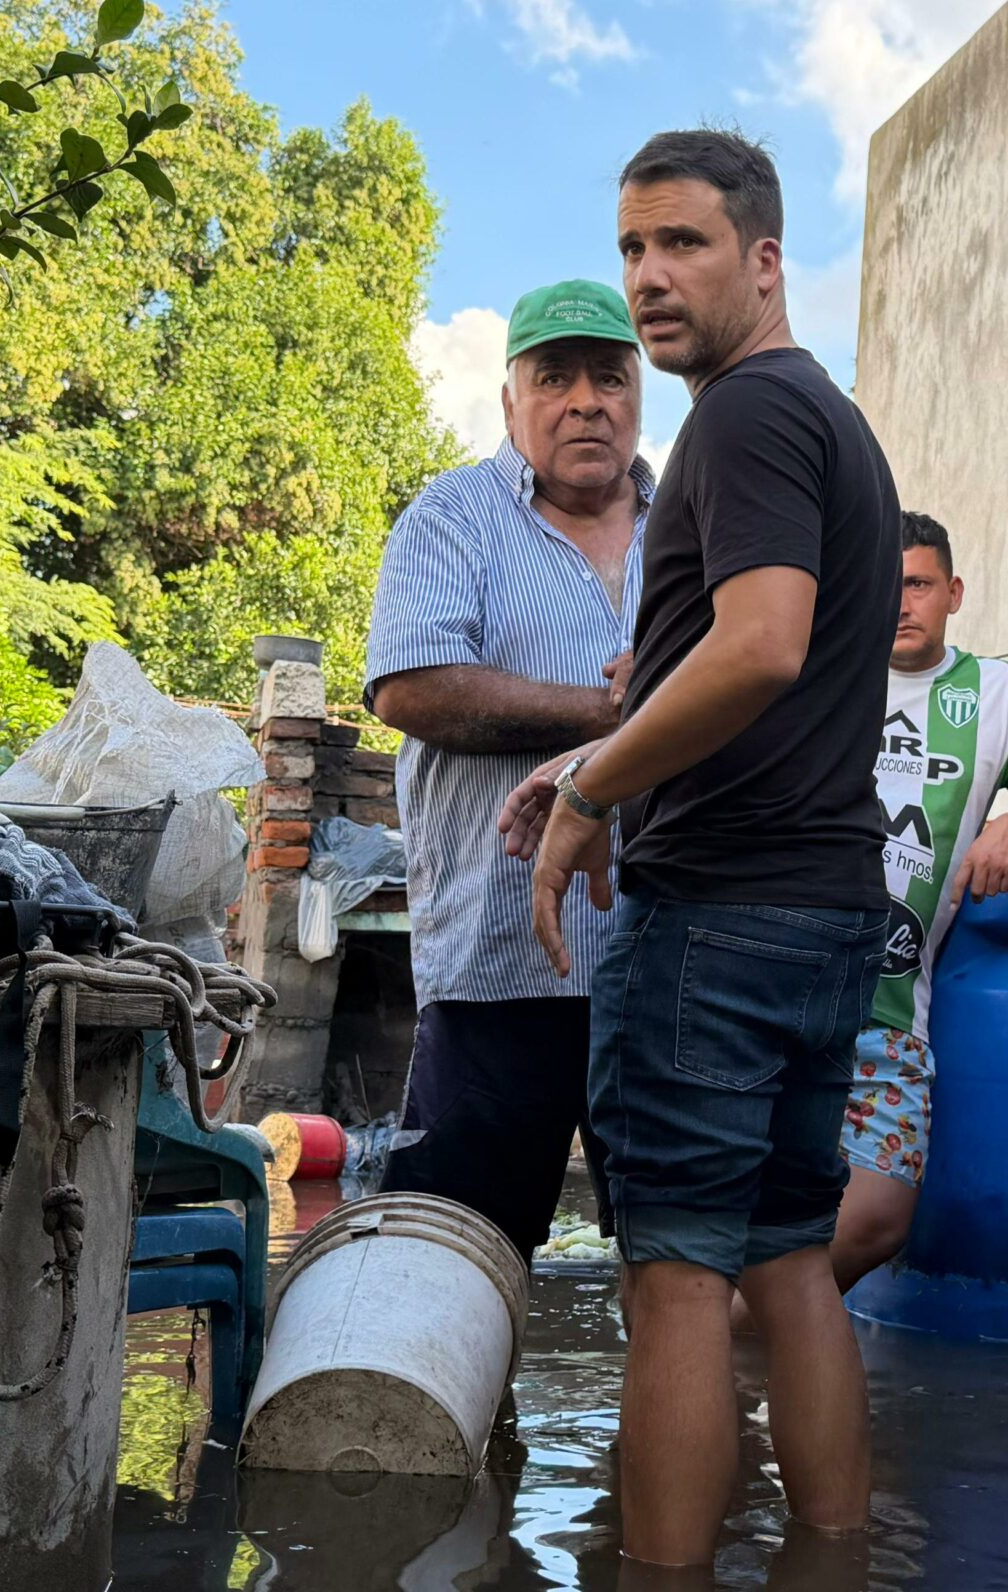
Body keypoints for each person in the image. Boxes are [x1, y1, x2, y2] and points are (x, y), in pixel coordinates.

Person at [500, 129, 901, 1566]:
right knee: (792, 1264)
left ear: (767, 259)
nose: (650, 279)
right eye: (631, 249)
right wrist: (594, 760)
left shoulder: (741, 416)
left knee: (672, 1284)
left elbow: (760, 647)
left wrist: (595, 797)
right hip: (821, 907)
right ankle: (836, 1562)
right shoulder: (828, 420)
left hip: (719, 918)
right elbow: (732, 676)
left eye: (684, 244)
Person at [362, 278, 649, 1259]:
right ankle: (468, 1420)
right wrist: (610, 714)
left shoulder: (690, 529)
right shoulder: (454, 518)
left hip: (663, 958)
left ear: (639, 393)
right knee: (454, 1250)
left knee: (681, 1253)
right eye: (555, 376)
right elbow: (411, 689)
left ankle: (681, 1420)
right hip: (499, 958)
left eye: (609, 376)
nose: (585, 400)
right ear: (510, 398)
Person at [837, 510, 1008, 1289]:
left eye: (916, 584)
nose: (898, 604)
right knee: (755, 1213)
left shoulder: (995, 692)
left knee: (879, 1219)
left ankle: (728, 1350)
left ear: (952, 592)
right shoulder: (822, 670)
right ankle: (733, 1380)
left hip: (892, 1005)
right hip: (785, 994)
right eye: (882, 586)